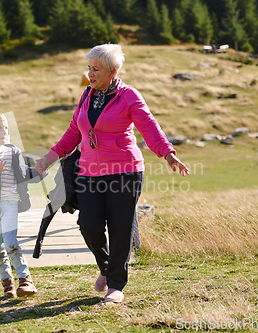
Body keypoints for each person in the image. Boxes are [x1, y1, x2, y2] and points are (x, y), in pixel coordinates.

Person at [36, 44, 189, 303]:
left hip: (125, 172)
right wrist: (49, 158)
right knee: (89, 226)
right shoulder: (87, 96)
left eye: (96, 69)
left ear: (113, 71)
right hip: (89, 173)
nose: (90, 74)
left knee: (120, 228)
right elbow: (74, 132)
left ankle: (116, 285)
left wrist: (167, 153)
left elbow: (149, 127)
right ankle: (107, 269)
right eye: (89, 68)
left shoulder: (129, 96)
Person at [0, 112, 47, 298]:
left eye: (5, 127)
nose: (4, 131)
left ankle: (25, 279)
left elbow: (22, 174)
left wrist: (39, 173)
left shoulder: (13, 152)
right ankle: (8, 285)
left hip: (10, 202)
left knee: (11, 242)